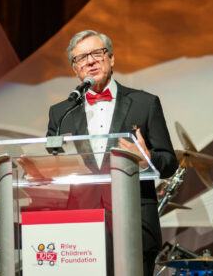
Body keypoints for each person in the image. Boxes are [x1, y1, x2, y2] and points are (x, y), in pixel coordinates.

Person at [46, 30, 178, 276]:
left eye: (97, 53)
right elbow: (54, 166)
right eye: (81, 58)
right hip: (80, 228)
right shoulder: (61, 113)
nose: (90, 61)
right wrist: (40, 172)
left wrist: (145, 160)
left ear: (111, 59)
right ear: (75, 69)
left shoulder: (144, 103)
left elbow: (169, 162)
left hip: (134, 223)